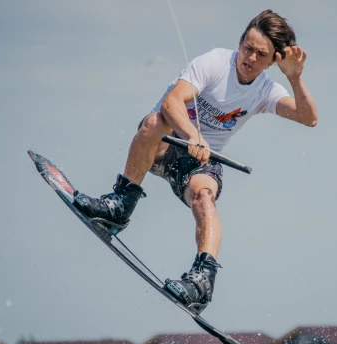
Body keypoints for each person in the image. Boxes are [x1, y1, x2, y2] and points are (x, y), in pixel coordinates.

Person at [73, 9, 318, 314]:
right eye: (248, 48)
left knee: (205, 197)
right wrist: (192, 134)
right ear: (240, 44)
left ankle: (202, 280)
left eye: (261, 54)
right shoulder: (215, 62)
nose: (251, 58)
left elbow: (308, 118)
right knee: (153, 123)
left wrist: (295, 78)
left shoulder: (266, 90)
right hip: (165, 144)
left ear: (272, 61)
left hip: (200, 163)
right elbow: (172, 102)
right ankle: (121, 206)